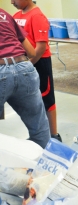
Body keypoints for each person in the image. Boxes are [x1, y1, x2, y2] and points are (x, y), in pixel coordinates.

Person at [12, 0, 62, 142]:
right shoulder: (16, 16)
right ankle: (39, 136)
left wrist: (28, 64)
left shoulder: (37, 16)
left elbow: (40, 47)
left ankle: (54, 136)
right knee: (32, 101)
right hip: (24, 64)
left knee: (47, 99)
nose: (11, 2)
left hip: (39, 63)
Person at [0, 8, 50, 148]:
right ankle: (45, 165)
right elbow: (31, 51)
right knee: (39, 127)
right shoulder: (4, 14)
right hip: (24, 68)